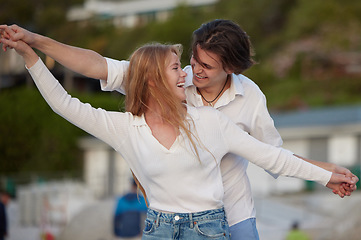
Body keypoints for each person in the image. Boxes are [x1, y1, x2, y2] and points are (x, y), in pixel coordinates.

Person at [0, 20, 358, 240]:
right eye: (189, 61)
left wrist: (325, 173)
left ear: (231, 69)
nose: (191, 72)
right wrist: (35, 45)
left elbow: (273, 157)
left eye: (205, 66)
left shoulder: (246, 102)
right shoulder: (154, 96)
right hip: (162, 221)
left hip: (230, 213)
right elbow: (92, 71)